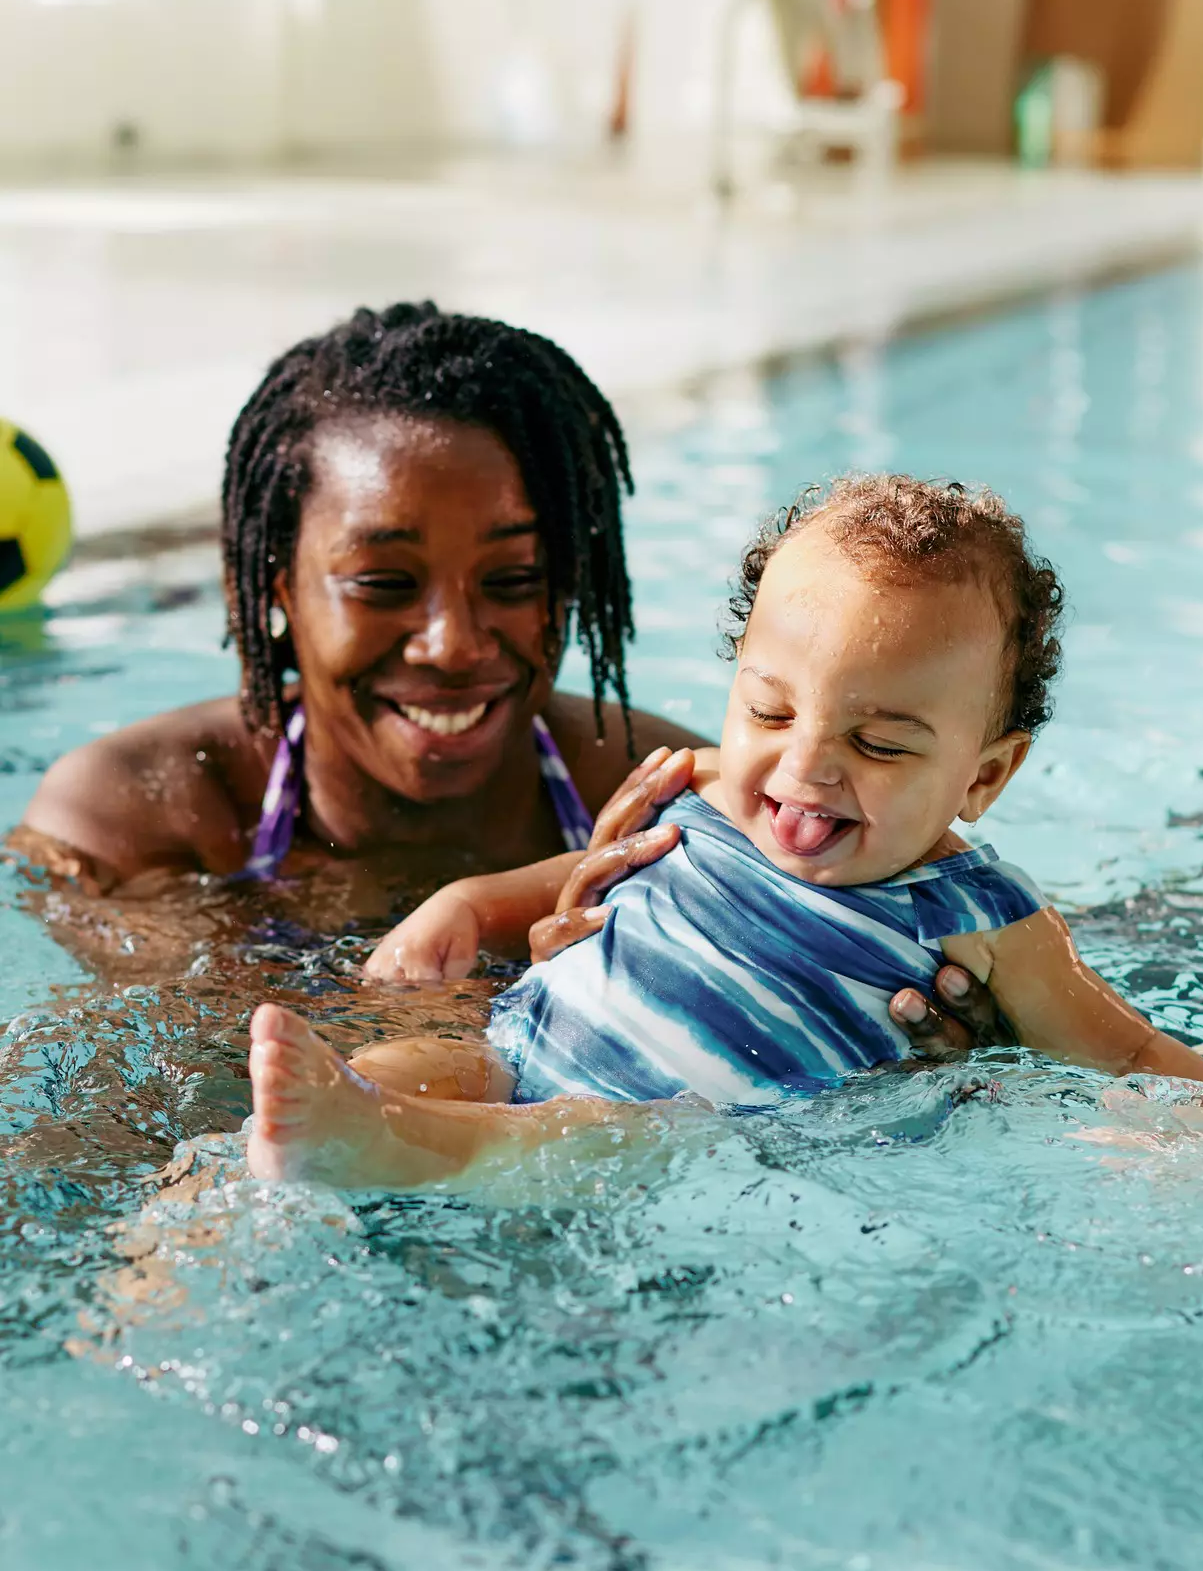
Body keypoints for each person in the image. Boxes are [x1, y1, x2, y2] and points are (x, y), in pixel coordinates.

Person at [243, 476, 1203, 1187]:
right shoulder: (711, 785)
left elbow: (1127, 1051)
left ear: (986, 775)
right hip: (519, 1047)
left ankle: (377, 1144)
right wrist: (464, 906)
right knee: (419, 1063)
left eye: (879, 745)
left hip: (675, 1135)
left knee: (600, 1138)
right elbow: (564, 879)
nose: (806, 766)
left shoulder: (980, 919)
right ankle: (344, 1123)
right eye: (772, 711)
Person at [9, 300, 978, 1050]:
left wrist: (929, 1030)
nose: (453, 643)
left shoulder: (679, 799)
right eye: (384, 582)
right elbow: (184, 1066)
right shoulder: (138, 815)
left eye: (513, 579)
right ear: (277, 590)